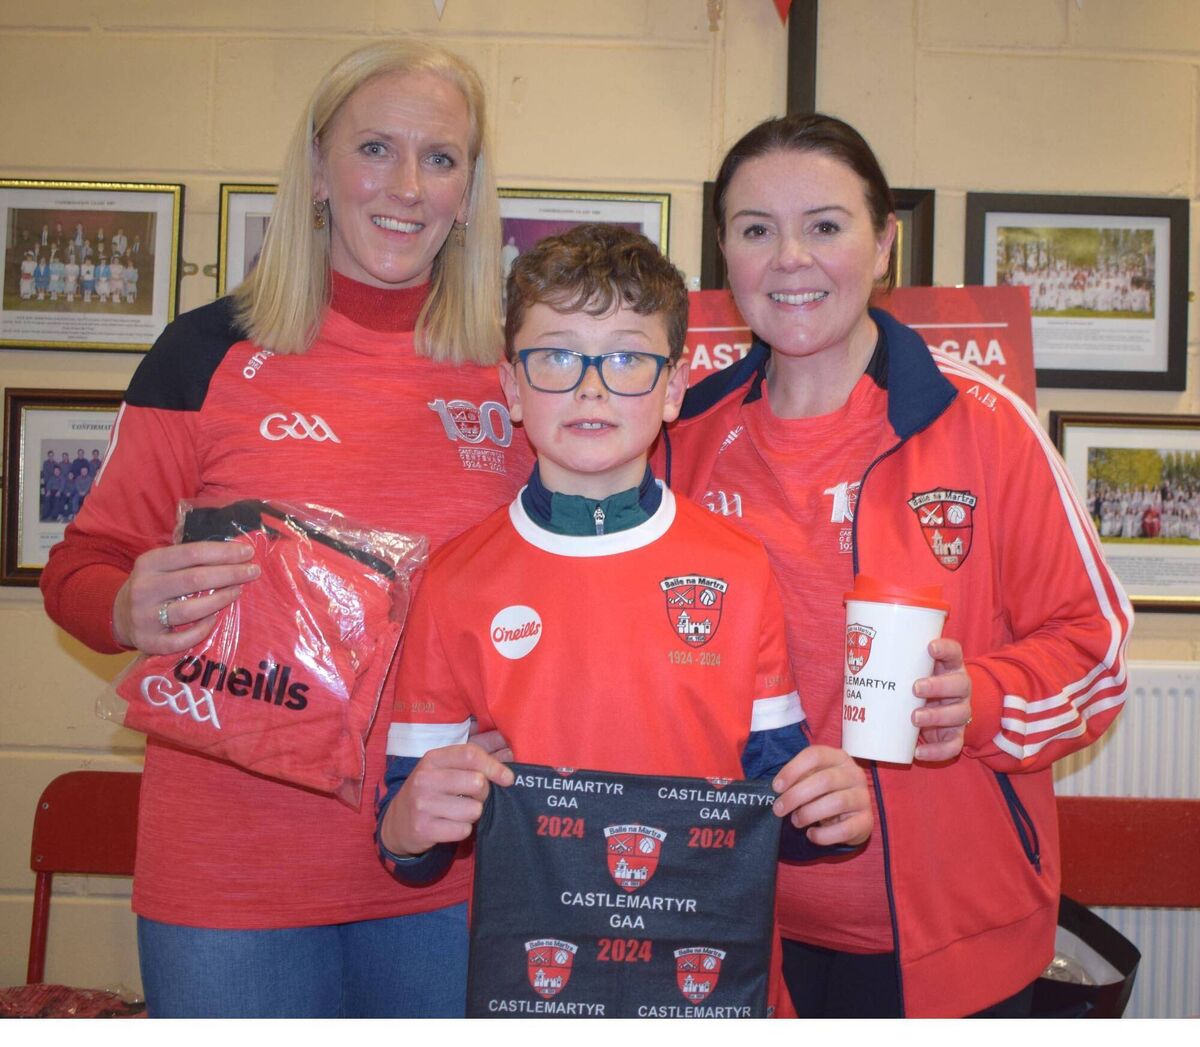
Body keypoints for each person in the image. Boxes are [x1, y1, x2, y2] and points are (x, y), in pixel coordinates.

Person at [40, 38, 532, 1018]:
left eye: (440, 158)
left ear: (470, 191)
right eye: (375, 149)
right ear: (316, 168)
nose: (406, 186)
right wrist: (129, 605)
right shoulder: (207, 351)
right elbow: (79, 571)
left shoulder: (516, 372)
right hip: (230, 872)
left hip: (449, 866)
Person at [664, 113, 1133, 1018]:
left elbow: (1098, 652)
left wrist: (983, 699)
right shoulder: (682, 441)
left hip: (951, 942)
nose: (791, 257)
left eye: (827, 225)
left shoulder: (983, 427)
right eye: (756, 229)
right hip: (734, 930)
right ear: (725, 252)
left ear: (885, 244)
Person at [376, 224, 873, 1014]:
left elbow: (773, 805)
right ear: (510, 385)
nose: (592, 388)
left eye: (628, 358)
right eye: (558, 356)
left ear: (675, 388)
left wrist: (832, 810)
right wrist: (411, 819)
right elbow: (406, 843)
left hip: (713, 989)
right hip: (532, 992)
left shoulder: (737, 568)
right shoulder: (456, 578)